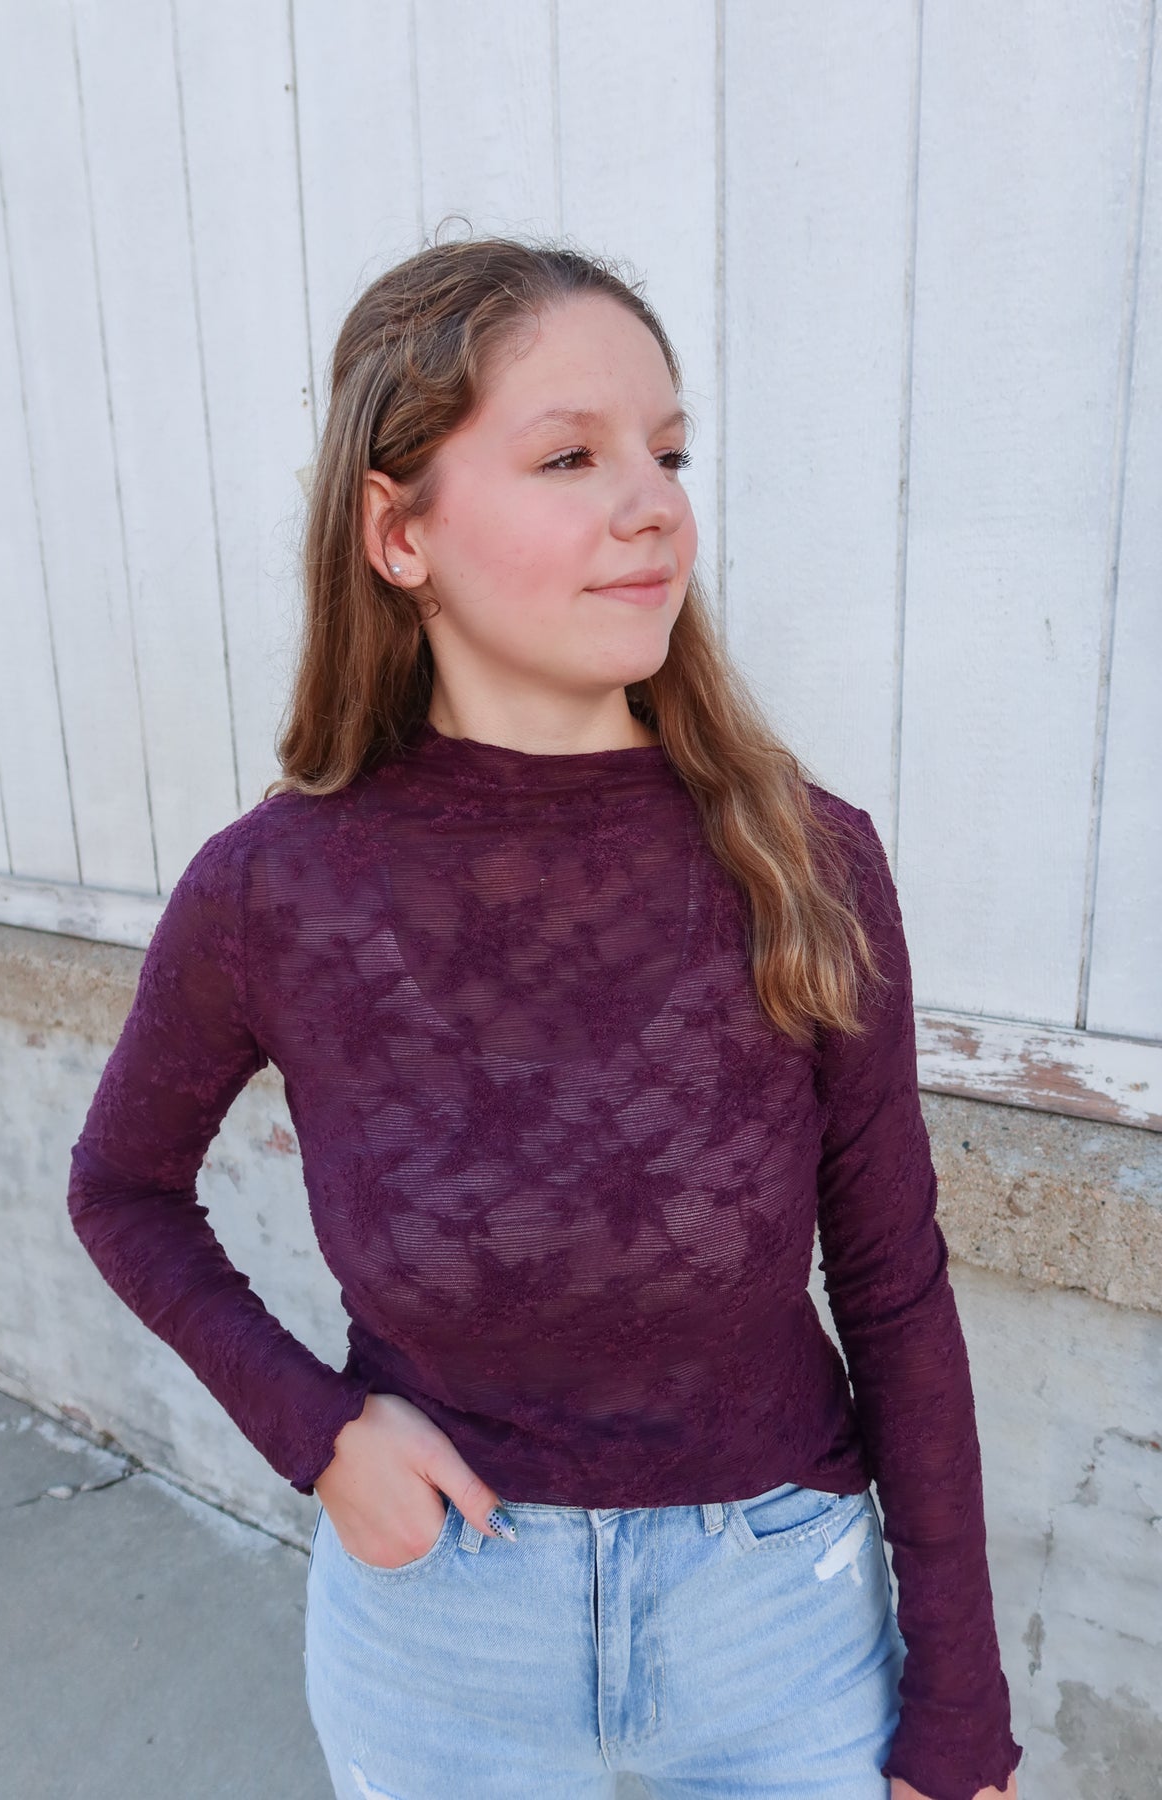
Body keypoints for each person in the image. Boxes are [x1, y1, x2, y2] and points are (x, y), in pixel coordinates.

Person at [67, 234, 1023, 1800]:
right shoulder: (278, 888)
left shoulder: (803, 855)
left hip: (777, 1619)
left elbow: (895, 1289)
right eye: (572, 455)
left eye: (668, 451)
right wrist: (318, 1433)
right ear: (399, 533)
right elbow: (121, 1188)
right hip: (442, 1629)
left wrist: (962, 1704)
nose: (653, 504)